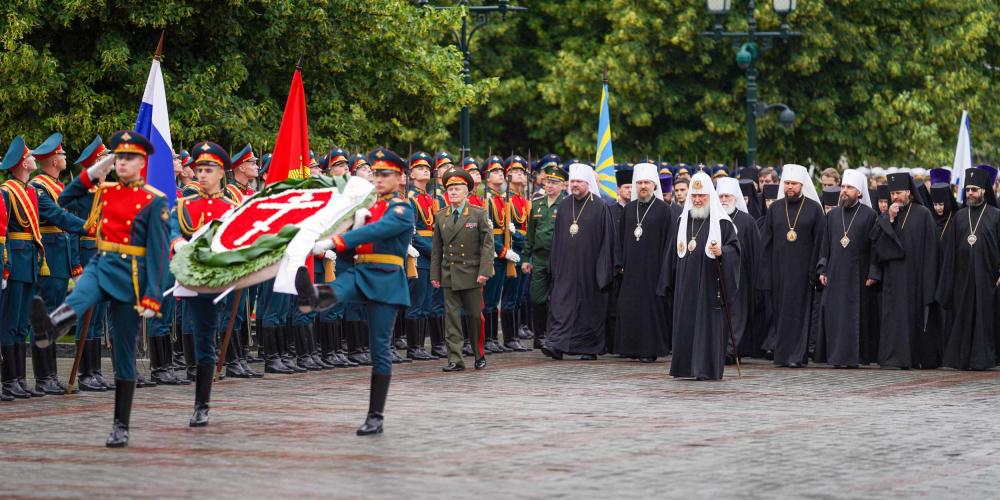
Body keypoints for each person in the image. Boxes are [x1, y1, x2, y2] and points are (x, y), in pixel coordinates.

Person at [29, 130, 170, 447]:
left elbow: (159, 253)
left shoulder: (154, 200)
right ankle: (49, 326)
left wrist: (153, 296)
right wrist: (92, 173)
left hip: (132, 277)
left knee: (124, 354)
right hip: (102, 264)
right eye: (118, 157)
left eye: (129, 158)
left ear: (142, 162)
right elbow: (62, 200)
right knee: (80, 295)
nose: (122, 163)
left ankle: (121, 425)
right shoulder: (103, 190)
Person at [296, 148, 414, 435]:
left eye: (386, 174)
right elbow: (353, 253)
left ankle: (375, 416)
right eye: (376, 174)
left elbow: (376, 232)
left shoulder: (401, 208)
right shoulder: (367, 208)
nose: (379, 179)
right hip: (361, 272)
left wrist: (335, 240)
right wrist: (344, 239)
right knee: (336, 288)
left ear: (400, 179)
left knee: (379, 349)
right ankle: (311, 297)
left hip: (386, 279)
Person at [2, 136, 88, 400]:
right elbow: (4, 231)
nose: (33, 159)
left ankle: (24, 379)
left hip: (32, 260)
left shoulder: (29, 190)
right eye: (29, 157)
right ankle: (12, 380)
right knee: (12, 322)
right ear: (22, 164)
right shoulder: (8, 191)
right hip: (16, 261)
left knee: (20, 324)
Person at [665, 172, 741, 380]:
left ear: (710, 196)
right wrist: (667, 283)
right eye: (694, 195)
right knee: (686, 322)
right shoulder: (683, 219)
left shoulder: (722, 222)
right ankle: (685, 368)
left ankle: (706, 369)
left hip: (709, 284)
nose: (697, 200)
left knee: (707, 325)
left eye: (702, 195)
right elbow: (674, 253)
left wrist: (722, 252)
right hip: (686, 283)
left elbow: (734, 249)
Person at [542, 163, 616, 361]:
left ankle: (590, 348)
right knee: (560, 305)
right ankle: (556, 345)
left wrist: (603, 270)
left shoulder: (600, 206)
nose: (574, 185)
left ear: (587, 183)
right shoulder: (564, 204)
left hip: (590, 268)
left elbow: (607, 241)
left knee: (589, 309)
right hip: (566, 267)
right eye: (572, 181)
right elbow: (557, 238)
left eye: (579, 182)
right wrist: (554, 266)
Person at [28, 133, 82, 395]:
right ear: (51, 159)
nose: (64, 158)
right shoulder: (39, 187)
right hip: (49, 258)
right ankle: (43, 377)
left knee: (54, 317)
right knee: (44, 317)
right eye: (61, 155)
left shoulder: (57, 185)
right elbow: (57, 216)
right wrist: (89, 226)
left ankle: (51, 374)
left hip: (61, 258)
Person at [757, 164, 825, 368]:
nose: (790, 188)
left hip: (804, 274)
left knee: (800, 315)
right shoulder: (776, 208)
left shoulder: (814, 209)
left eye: (794, 184)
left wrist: (815, 271)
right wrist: (765, 275)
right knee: (781, 315)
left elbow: (820, 243)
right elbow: (766, 245)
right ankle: (783, 355)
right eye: (787, 183)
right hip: (779, 273)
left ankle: (797, 356)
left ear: (802, 185)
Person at [427, 166, 494, 372]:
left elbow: (488, 244)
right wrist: (435, 273)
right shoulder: (441, 216)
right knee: (452, 318)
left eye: (457, 188)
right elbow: (437, 247)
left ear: (467, 192)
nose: (453, 192)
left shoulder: (478, 213)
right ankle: (455, 359)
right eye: (450, 189)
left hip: (473, 274)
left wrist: (485, 270)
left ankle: (478, 353)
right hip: (450, 273)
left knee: (475, 316)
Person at [870, 172, 940, 369]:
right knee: (892, 318)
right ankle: (891, 359)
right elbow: (875, 241)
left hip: (915, 276)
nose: (895, 197)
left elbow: (932, 249)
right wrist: (889, 218)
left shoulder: (923, 213)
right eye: (893, 194)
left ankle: (912, 358)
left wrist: (929, 278)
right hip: (892, 276)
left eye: (899, 193)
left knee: (912, 319)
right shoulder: (888, 214)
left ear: (909, 193)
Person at [815, 170, 881, 367]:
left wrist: (873, 272)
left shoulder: (870, 215)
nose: (844, 191)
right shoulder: (833, 215)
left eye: (849, 188)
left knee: (856, 315)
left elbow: (875, 248)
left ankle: (856, 357)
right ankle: (836, 357)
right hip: (835, 273)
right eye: (843, 187)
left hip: (859, 275)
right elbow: (825, 245)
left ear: (859, 192)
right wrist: (823, 269)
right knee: (836, 314)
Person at [936, 168, 999, 370]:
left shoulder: (996, 215)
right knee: (962, 317)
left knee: (984, 318)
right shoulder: (960, 216)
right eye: (967, 189)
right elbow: (951, 252)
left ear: (984, 191)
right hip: (962, 278)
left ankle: (983, 360)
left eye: (974, 189)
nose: (970, 193)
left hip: (987, 277)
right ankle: (961, 359)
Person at [614, 163, 673, 362]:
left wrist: (665, 270)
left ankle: (650, 350)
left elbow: (669, 242)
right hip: (631, 270)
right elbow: (620, 239)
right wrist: (619, 263)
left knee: (650, 311)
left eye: (646, 182)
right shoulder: (629, 209)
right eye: (639, 183)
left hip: (654, 271)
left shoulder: (664, 210)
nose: (642, 187)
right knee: (629, 307)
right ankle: (630, 348)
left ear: (654, 185)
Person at [716, 177, 762, 361]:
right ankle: (719, 348)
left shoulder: (747, 220)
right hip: (716, 274)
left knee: (737, 314)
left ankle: (730, 350)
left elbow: (755, 251)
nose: (724, 200)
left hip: (740, 276)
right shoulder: (713, 218)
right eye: (720, 196)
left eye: (727, 196)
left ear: (736, 198)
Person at [521, 165, 566, 348]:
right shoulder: (537, 204)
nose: (550, 186)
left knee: (557, 299)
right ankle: (539, 335)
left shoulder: (566, 204)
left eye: (554, 183)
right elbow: (530, 233)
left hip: (559, 258)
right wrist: (525, 257)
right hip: (539, 258)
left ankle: (553, 336)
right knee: (537, 297)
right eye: (548, 182)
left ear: (562, 185)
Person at [482, 155, 520, 353]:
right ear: (487, 176)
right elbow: (487, 232)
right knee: (489, 299)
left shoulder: (499, 199)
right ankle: (487, 339)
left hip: (503, 252)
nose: (501, 175)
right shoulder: (486, 200)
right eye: (496, 172)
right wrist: (503, 251)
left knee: (496, 296)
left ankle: (493, 339)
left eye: (501, 172)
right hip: (494, 253)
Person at [404, 151, 437, 361]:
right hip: (420, 255)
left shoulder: (429, 198)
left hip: (432, 254)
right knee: (416, 303)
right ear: (411, 173)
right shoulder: (410, 199)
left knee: (427, 304)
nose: (425, 170)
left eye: (427, 167)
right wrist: (433, 251)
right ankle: (413, 347)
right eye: (419, 167)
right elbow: (412, 232)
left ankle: (421, 347)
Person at [500, 155, 532, 352]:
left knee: (519, 296)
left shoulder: (523, 200)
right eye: (516, 171)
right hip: (514, 251)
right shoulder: (506, 200)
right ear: (507, 176)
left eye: (523, 172)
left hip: (524, 252)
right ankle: (509, 338)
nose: (521, 174)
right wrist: (527, 242)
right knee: (510, 296)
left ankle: (514, 336)